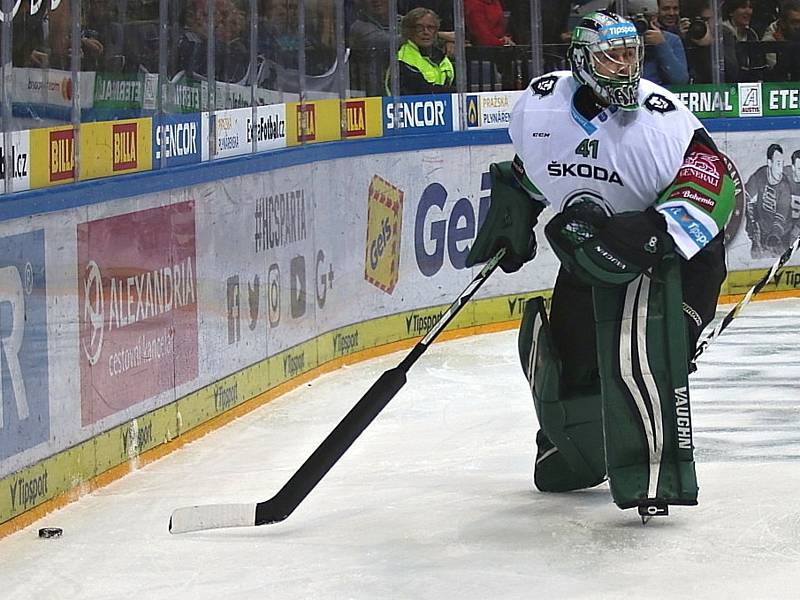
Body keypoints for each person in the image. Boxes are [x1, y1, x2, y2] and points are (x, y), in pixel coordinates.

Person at [465, 10, 735, 519]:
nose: (625, 66)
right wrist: (514, 210)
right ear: (581, 60)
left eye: (631, 54)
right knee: (570, 365)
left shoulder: (662, 118)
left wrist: (650, 234)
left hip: (672, 260)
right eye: (612, 56)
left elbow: (714, 183)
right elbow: (530, 170)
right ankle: (572, 451)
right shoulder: (540, 104)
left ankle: (652, 474)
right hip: (590, 252)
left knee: (647, 359)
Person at [386, 7, 454, 95]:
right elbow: (421, 91)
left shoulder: (442, 58)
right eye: (419, 27)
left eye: (431, 27)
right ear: (409, 31)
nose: (426, 32)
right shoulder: (402, 60)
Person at [745, 143, 794, 257]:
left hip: (781, 237)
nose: (780, 169)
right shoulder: (760, 175)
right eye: (777, 164)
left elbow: (781, 217)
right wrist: (750, 221)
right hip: (762, 233)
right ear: (769, 163)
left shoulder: (785, 186)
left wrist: (774, 235)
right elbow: (745, 196)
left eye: (782, 164)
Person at [722, 0, 768, 81]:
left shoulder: (752, 34)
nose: (749, 12)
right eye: (743, 7)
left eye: (750, 7)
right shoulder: (722, 33)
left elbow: (757, 64)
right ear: (731, 12)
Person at [762, 0, 800, 79]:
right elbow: (777, 74)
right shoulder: (770, 40)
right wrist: (784, 46)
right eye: (795, 22)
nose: (798, 27)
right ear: (783, 23)